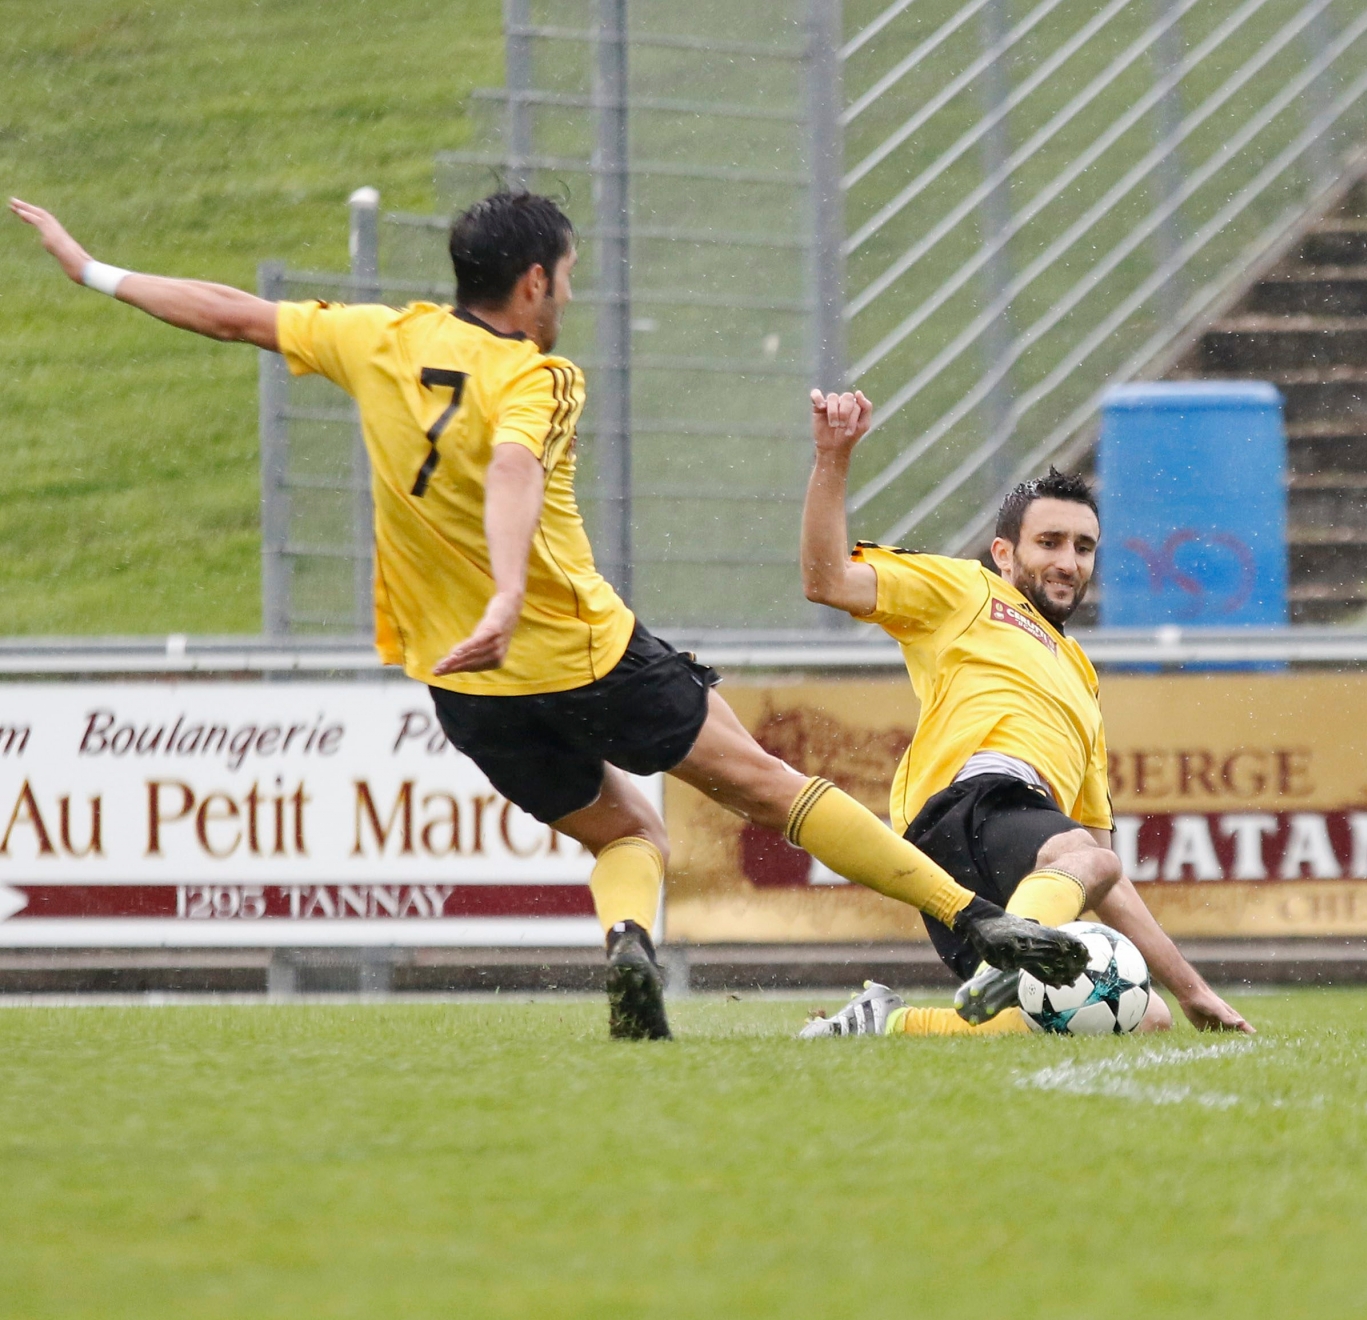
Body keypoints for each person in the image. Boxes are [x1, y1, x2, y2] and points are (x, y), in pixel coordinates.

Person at [9, 190, 1087, 1041]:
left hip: (463, 678)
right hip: (577, 646)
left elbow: (234, 313)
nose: (567, 293)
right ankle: (972, 912)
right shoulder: (540, 375)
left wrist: (94, 268)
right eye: (564, 276)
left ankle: (628, 943)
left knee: (625, 831)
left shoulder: (376, 337)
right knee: (764, 784)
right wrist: (513, 586)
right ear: (532, 283)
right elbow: (516, 466)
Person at [794, 389, 1253, 1038]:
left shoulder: (1083, 680)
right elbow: (828, 580)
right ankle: (1016, 949)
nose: (1069, 561)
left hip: (1008, 860)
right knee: (1085, 864)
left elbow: (1097, 866)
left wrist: (1193, 991)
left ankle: (887, 1023)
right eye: (1050, 541)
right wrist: (832, 460)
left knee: (1139, 1016)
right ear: (1005, 553)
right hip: (966, 803)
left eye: (1084, 547)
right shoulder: (968, 591)